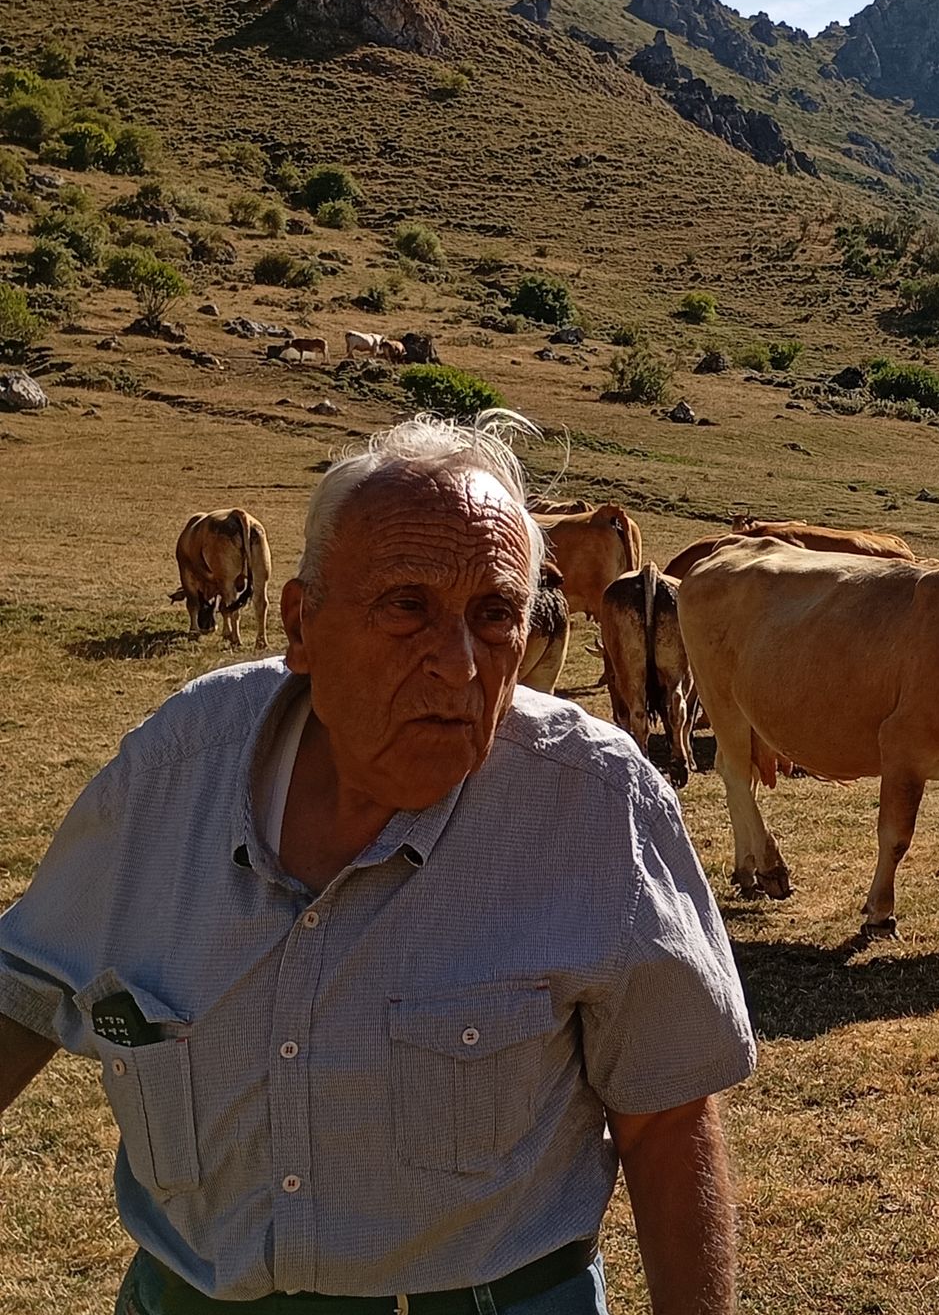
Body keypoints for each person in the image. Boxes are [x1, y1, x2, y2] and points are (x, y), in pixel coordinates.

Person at [0, 411, 755, 1314]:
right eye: (407, 608)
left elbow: (669, 1122)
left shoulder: (593, 804)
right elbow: (20, 998)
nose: (461, 668)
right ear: (303, 625)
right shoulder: (173, 777)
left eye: (493, 617)